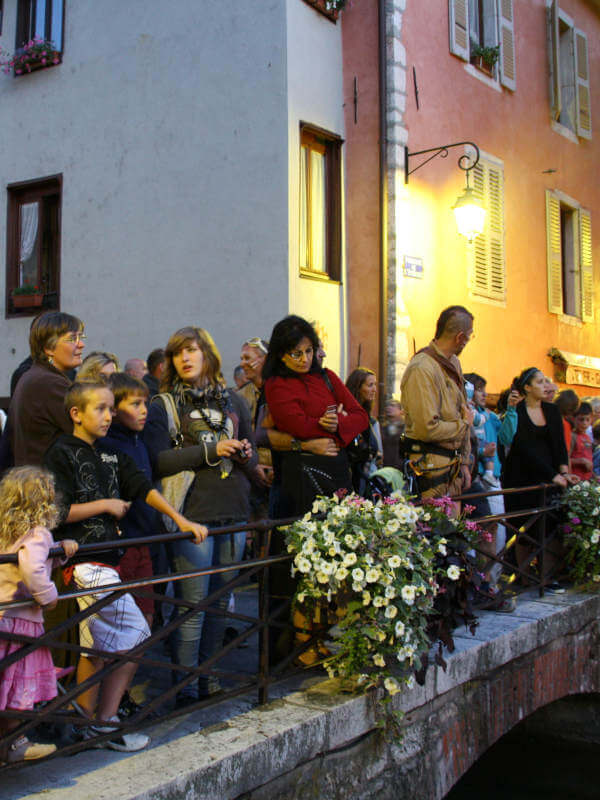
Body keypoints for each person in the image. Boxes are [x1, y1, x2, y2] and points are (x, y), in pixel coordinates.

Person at [44, 381, 207, 749]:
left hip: (107, 562)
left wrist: (179, 520)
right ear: (76, 414)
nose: (108, 415)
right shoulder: (60, 453)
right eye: (99, 408)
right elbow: (56, 512)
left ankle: (88, 721)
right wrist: (105, 505)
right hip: (86, 562)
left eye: (109, 409)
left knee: (97, 644)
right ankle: (104, 722)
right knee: (134, 633)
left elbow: (141, 486)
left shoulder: (110, 453)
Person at [143, 326, 256, 704]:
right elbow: (157, 460)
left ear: (207, 353)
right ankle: (186, 687)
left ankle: (211, 680)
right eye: (178, 353)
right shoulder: (164, 404)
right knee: (193, 604)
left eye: (191, 350)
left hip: (234, 507)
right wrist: (210, 452)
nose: (185, 358)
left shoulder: (234, 402)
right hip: (192, 512)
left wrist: (244, 454)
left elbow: (251, 449)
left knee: (220, 605)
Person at [0, 467, 78, 763]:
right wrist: (48, 597)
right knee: (16, 689)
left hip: (3, 616)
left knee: (3, 686)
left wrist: (60, 552)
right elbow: (32, 567)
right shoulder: (38, 533)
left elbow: (29, 558)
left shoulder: (7, 530)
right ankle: (16, 744)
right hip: (21, 622)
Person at [263, 315, 368, 516]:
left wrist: (338, 423)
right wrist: (329, 428)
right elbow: (296, 425)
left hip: (338, 470)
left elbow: (360, 417)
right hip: (302, 476)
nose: (305, 359)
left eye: (309, 351)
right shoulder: (276, 384)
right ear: (282, 355)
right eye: (297, 354)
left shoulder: (327, 377)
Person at [503, 368, 575, 585]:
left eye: (546, 382)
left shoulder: (552, 411)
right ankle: (524, 577)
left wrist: (563, 472)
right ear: (527, 387)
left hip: (552, 476)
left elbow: (559, 445)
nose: (547, 386)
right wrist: (553, 475)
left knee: (551, 527)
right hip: (523, 476)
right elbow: (524, 449)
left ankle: (547, 577)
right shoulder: (519, 411)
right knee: (524, 528)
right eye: (541, 382)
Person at [101, 374, 160, 628]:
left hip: (143, 542)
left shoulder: (139, 442)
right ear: (114, 410)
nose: (144, 411)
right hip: (120, 546)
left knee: (145, 620)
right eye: (135, 404)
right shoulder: (107, 445)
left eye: (145, 403)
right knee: (118, 625)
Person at [400, 306, 474, 499]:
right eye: (469, 336)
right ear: (460, 337)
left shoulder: (453, 363)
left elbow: (463, 411)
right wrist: (463, 425)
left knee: (456, 527)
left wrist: (464, 462)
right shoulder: (422, 369)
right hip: (430, 468)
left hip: (453, 466)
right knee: (434, 527)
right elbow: (427, 428)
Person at [5, 312, 85, 468]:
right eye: (72, 339)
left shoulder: (39, 376)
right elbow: (88, 431)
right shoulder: (49, 382)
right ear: (49, 348)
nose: (81, 344)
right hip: (48, 484)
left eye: (80, 338)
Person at [345, 368, 383, 496]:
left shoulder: (370, 421)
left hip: (366, 480)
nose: (374, 390)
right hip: (350, 480)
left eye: (375, 385)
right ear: (358, 387)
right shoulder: (346, 416)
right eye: (370, 385)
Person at [570, 401, 594, 481]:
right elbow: (564, 460)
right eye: (581, 419)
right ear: (574, 419)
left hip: (586, 480)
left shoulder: (587, 437)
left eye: (587, 420)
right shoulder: (572, 436)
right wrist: (581, 461)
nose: (584, 423)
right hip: (575, 479)